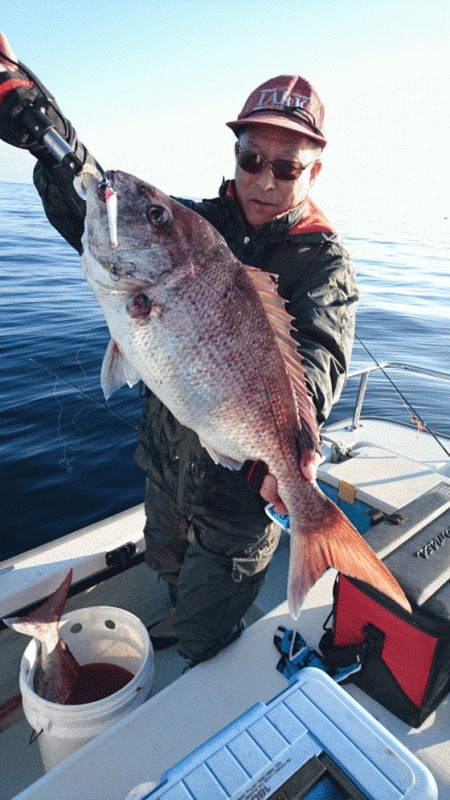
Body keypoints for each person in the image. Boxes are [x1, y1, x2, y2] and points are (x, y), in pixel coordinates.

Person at [0, 35, 359, 664]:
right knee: (165, 567)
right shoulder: (192, 224)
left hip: (240, 504)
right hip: (165, 475)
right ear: (237, 154)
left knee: (202, 636)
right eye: (252, 158)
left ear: (314, 171)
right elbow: (98, 203)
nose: (265, 179)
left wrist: (289, 455)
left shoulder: (324, 262)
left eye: (287, 166)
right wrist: (39, 124)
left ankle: (212, 649)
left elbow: (321, 363)